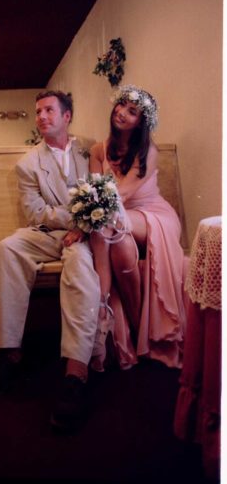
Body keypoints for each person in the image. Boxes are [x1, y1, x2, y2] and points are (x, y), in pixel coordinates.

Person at [0, 90, 100, 431]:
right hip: (48, 234)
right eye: (38, 111)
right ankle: (9, 352)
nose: (41, 116)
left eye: (48, 110)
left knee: (80, 264)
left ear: (67, 115)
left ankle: (76, 371)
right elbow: (34, 212)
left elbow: (105, 194)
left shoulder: (92, 150)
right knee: (9, 248)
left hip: (86, 238)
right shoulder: (28, 163)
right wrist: (77, 218)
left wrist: (85, 229)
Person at [88, 85, 186, 372]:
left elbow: (121, 194)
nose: (121, 113)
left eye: (132, 112)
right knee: (116, 237)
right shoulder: (98, 149)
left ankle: (101, 309)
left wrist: (90, 214)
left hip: (152, 215)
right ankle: (112, 311)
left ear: (141, 122)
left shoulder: (148, 150)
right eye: (121, 105)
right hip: (118, 219)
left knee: (106, 222)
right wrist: (90, 207)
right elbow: (98, 192)